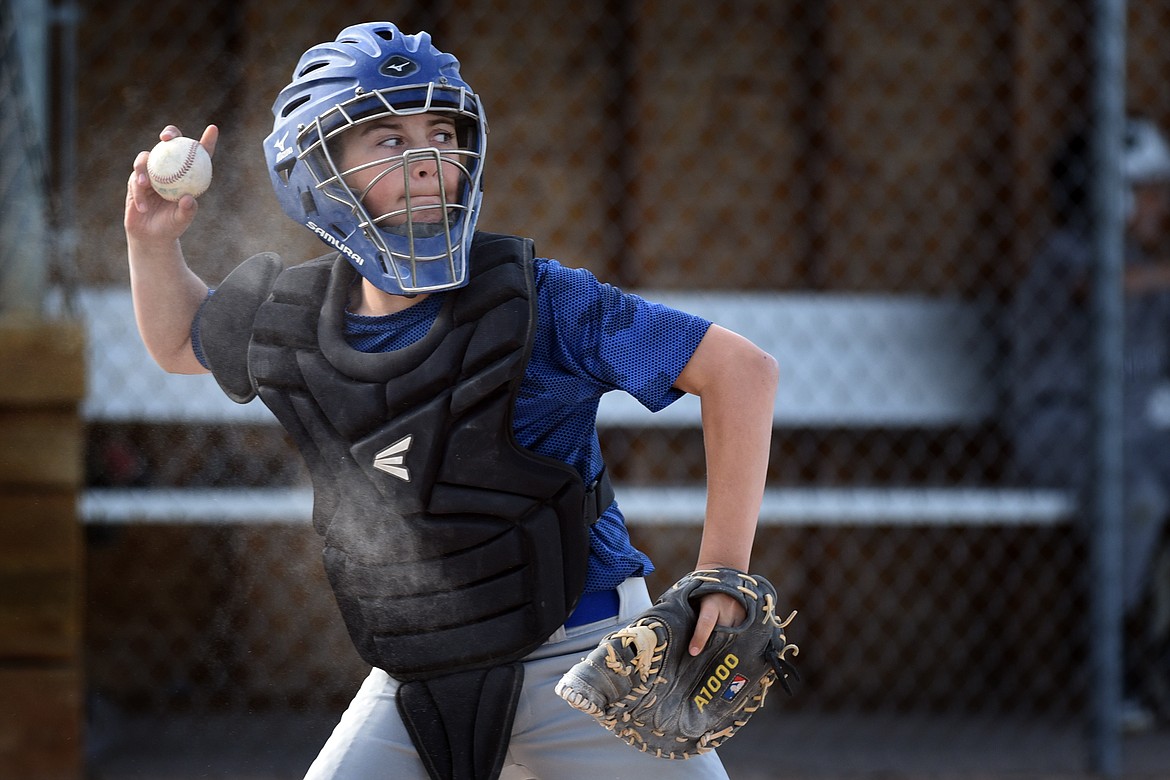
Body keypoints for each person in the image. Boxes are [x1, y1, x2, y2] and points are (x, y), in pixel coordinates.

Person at [123, 22, 780, 780]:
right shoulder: (294, 319)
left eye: (441, 132)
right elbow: (179, 344)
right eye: (387, 141)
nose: (428, 159)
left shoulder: (537, 300)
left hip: (593, 661)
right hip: (422, 676)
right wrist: (152, 244)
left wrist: (723, 573)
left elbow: (741, 370)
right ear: (316, 173)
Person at [1008, 115, 1170, 728]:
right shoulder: (1069, 257)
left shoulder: (1145, 266)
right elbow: (1093, 289)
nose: (1160, 204)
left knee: (1146, 477)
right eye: (1149, 189)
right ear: (1113, 194)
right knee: (1137, 496)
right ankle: (1110, 659)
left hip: (1140, 433)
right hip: (1061, 429)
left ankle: (1155, 648)